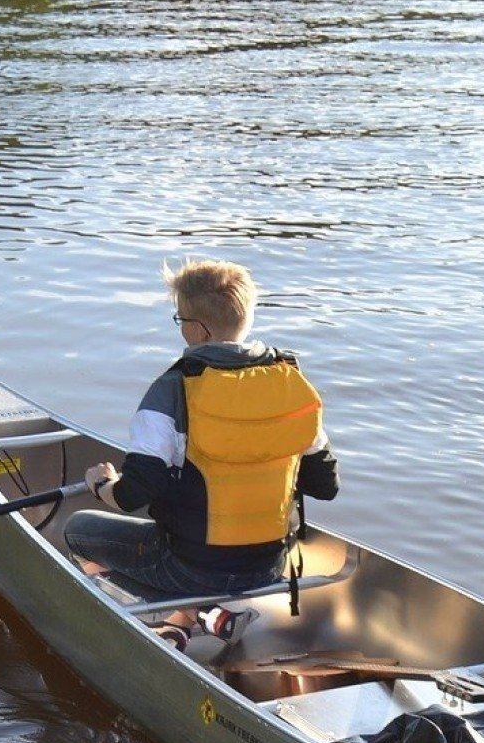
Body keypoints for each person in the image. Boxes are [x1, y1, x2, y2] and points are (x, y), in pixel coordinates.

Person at [64, 259, 340, 643]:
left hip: (191, 569)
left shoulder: (172, 389)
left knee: (77, 529)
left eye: (179, 319)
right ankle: (187, 620)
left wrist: (102, 485)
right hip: (269, 567)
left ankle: (192, 612)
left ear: (197, 328)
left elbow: (132, 496)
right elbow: (326, 486)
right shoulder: (291, 384)